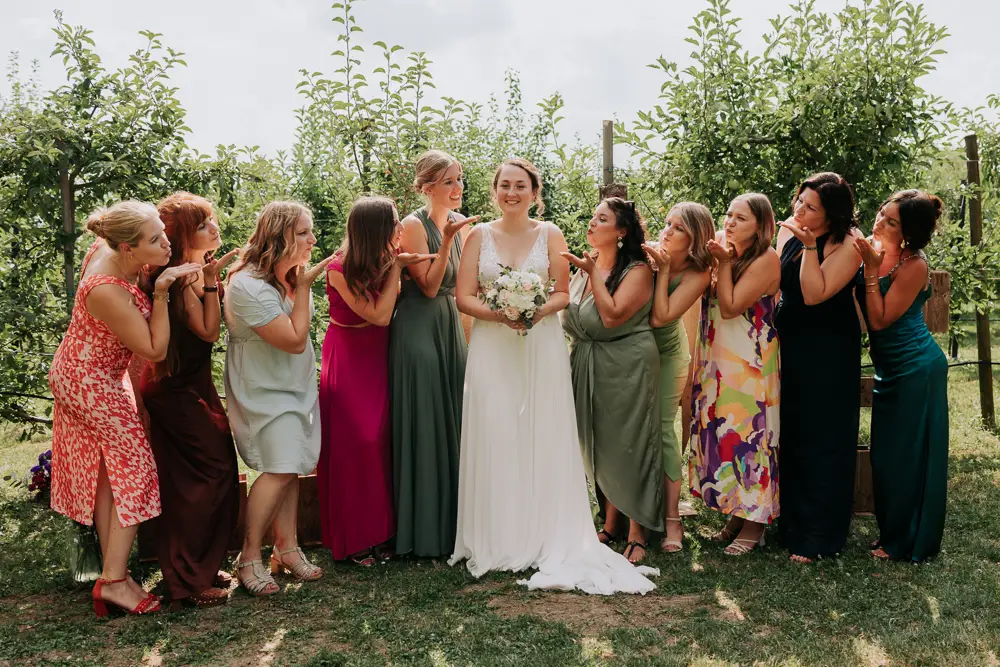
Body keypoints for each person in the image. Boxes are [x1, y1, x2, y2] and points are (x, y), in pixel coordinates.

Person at [450, 158, 656, 594]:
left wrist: (533, 310)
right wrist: (502, 314)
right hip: (493, 345)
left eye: (520, 185)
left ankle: (545, 532)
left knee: (540, 432)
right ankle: (497, 535)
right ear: (494, 191)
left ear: (534, 192)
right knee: (497, 430)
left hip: (540, 344)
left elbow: (563, 293)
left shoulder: (551, 234)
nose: (511, 192)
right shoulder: (476, 237)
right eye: (504, 185)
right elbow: (463, 298)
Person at [48, 201, 201, 616]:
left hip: (95, 372)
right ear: (127, 249)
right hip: (88, 380)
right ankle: (113, 582)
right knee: (136, 469)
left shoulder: (111, 248)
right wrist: (165, 290)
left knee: (106, 471)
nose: (166, 242)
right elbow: (153, 348)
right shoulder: (106, 289)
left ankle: (114, 573)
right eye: (155, 240)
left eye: (163, 233)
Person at [138, 192, 240, 610]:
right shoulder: (180, 276)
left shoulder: (192, 270)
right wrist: (214, 282)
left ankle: (195, 566)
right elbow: (209, 331)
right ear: (183, 235)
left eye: (212, 221)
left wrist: (213, 277)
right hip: (176, 389)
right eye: (203, 224)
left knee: (196, 478)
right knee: (212, 472)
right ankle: (187, 580)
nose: (214, 228)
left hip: (190, 384)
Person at [320, 196, 435, 565]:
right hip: (350, 360)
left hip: (382, 356)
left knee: (384, 440)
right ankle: (354, 538)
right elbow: (380, 315)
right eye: (396, 223)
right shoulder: (338, 268)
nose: (402, 229)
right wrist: (397, 269)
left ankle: (384, 531)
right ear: (376, 230)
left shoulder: (385, 258)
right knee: (360, 443)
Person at [224, 201, 331, 595]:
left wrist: (298, 285)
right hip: (263, 388)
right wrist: (303, 290)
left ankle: (287, 548)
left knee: (289, 467)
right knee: (279, 467)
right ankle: (248, 555)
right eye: (303, 232)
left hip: (292, 384)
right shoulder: (248, 285)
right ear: (279, 235)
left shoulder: (286, 275)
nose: (312, 239)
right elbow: (292, 339)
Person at [561, 198, 663, 564]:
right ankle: (610, 520)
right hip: (587, 362)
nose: (592, 223)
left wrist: (590, 273)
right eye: (592, 217)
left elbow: (613, 315)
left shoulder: (637, 269)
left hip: (627, 364)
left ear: (621, 231)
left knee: (629, 443)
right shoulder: (584, 266)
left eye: (601, 219)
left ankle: (638, 532)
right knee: (598, 443)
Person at [854, 191, 948, 562]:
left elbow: (878, 320)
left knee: (905, 458)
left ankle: (905, 541)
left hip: (916, 368)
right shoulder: (874, 247)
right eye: (881, 213)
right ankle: (891, 533)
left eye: (891, 221)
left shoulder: (915, 265)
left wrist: (871, 269)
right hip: (889, 369)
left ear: (907, 231)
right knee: (885, 457)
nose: (880, 222)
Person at [775, 172, 864, 563]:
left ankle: (820, 535)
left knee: (823, 438)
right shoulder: (790, 235)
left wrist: (810, 247)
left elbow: (814, 293)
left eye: (810, 207)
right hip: (792, 347)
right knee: (794, 433)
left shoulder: (851, 244)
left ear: (832, 215)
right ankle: (791, 525)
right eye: (799, 201)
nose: (799, 210)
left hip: (829, 351)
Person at [390, 150, 475, 558]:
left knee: (454, 419)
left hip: (449, 326)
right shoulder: (413, 224)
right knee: (427, 423)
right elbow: (427, 285)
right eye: (448, 182)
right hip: (419, 327)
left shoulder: (456, 223)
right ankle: (425, 531)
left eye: (459, 179)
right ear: (426, 188)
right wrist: (447, 242)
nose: (458, 188)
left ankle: (457, 526)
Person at [689, 194, 781, 555]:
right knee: (725, 433)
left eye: (740, 218)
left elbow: (729, 307)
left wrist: (723, 263)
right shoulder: (731, 256)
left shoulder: (765, 259)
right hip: (720, 359)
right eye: (728, 215)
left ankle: (756, 521)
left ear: (760, 224)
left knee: (750, 438)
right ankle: (736, 512)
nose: (729, 222)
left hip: (751, 363)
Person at [641, 203, 714, 553]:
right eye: (667, 223)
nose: (667, 231)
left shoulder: (698, 273)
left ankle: (673, 518)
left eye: (678, 228)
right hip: (634, 354)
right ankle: (636, 510)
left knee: (663, 428)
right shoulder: (648, 259)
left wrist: (664, 269)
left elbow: (661, 318)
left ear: (695, 237)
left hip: (669, 355)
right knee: (635, 428)